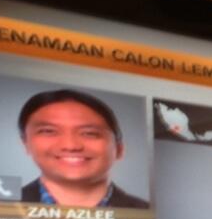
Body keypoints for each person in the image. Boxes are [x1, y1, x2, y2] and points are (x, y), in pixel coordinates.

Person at [18, 89, 149, 208]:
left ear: (119, 149)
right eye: (48, 131)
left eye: (89, 133)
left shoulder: (147, 212)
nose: (70, 146)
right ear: (25, 144)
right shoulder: (7, 206)